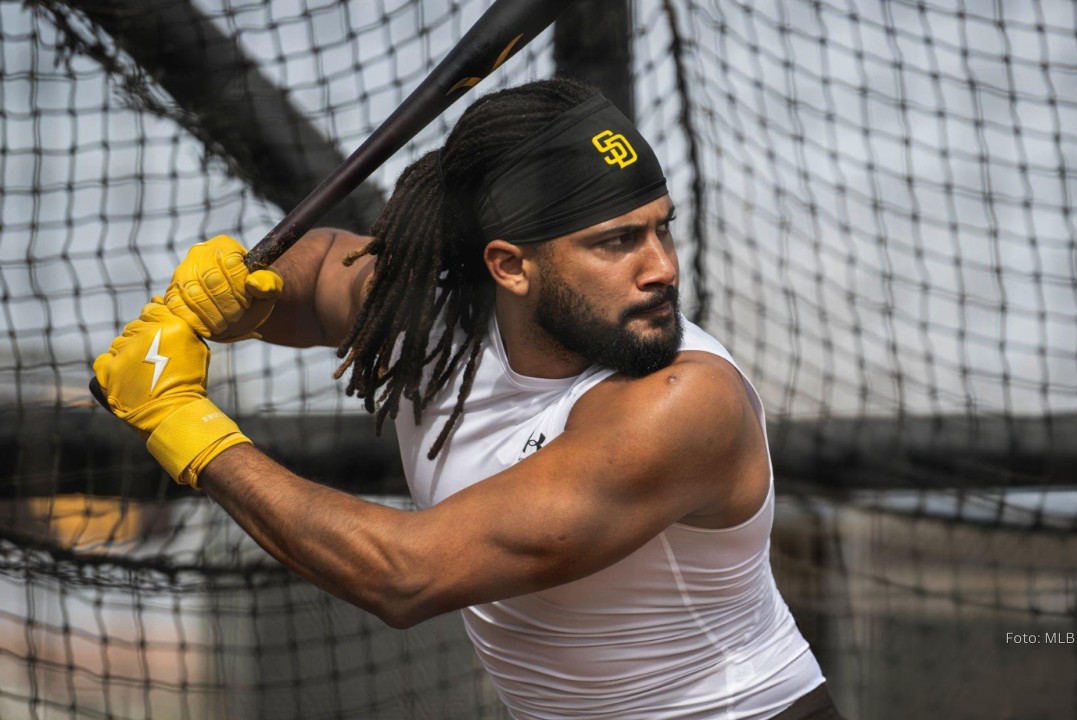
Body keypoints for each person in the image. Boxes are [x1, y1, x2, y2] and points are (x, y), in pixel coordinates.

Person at [94, 78, 842, 719]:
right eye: (617, 242)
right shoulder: (440, 323)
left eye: (662, 230)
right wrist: (239, 298)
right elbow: (322, 269)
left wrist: (181, 423)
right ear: (510, 268)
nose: (663, 269)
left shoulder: (681, 402)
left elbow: (403, 575)